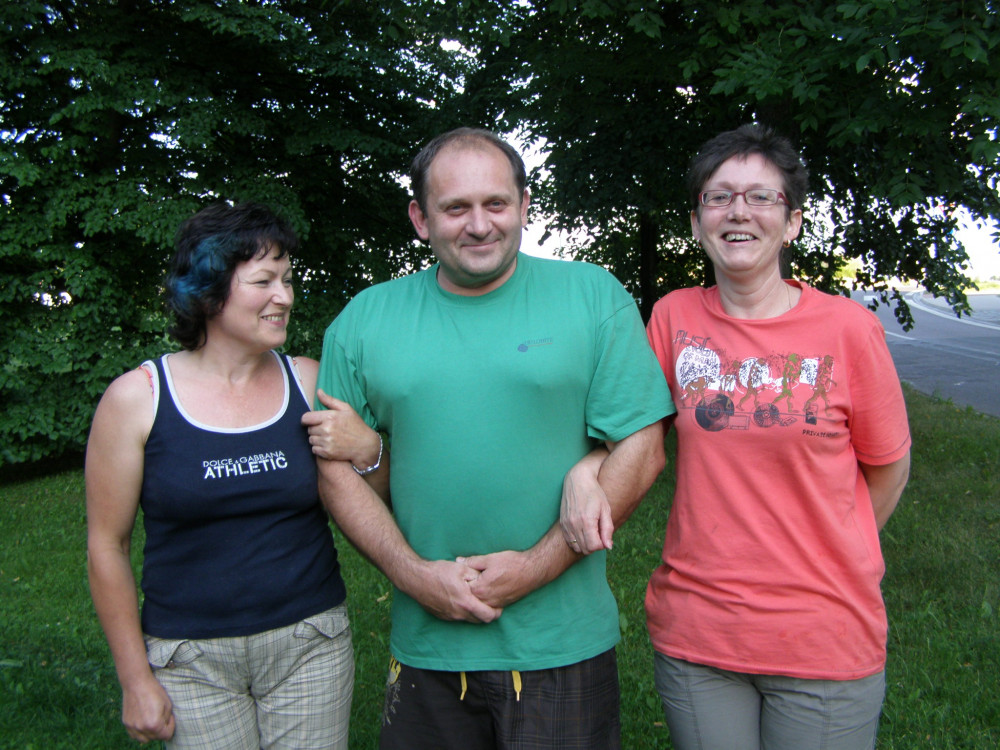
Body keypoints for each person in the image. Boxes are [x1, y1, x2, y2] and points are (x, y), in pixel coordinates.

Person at [314, 127, 675, 749]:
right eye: (456, 207)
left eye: (496, 203)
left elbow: (642, 447)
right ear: (420, 219)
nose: (479, 225)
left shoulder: (592, 296)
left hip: (561, 642)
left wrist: (534, 568)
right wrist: (415, 577)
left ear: (524, 206)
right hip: (428, 646)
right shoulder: (364, 321)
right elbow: (333, 468)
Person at [568, 124, 912, 749]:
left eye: (760, 196)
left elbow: (888, 468)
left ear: (793, 221)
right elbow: (634, 433)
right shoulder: (673, 317)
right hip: (700, 633)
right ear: (697, 222)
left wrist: (834, 547)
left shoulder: (848, 330)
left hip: (824, 631)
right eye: (719, 197)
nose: (738, 211)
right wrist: (584, 469)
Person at [86, 202, 383, 748]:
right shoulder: (138, 399)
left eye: (287, 280)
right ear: (208, 289)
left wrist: (370, 449)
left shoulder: (310, 384)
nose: (284, 296)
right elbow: (107, 544)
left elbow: (375, 501)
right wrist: (134, 679)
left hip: (310, 644)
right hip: (191, 659)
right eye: (264, 281)